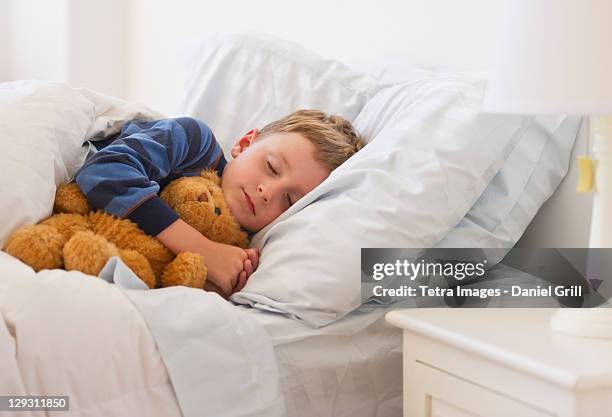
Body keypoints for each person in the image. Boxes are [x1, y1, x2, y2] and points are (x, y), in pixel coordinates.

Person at [75, 109, 366, 298]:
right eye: (272, 167)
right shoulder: (194, 143)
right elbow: (103, 172)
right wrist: (202, 249)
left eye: (288, 200)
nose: (268, 191)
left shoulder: (239, 248)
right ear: (244, 143)